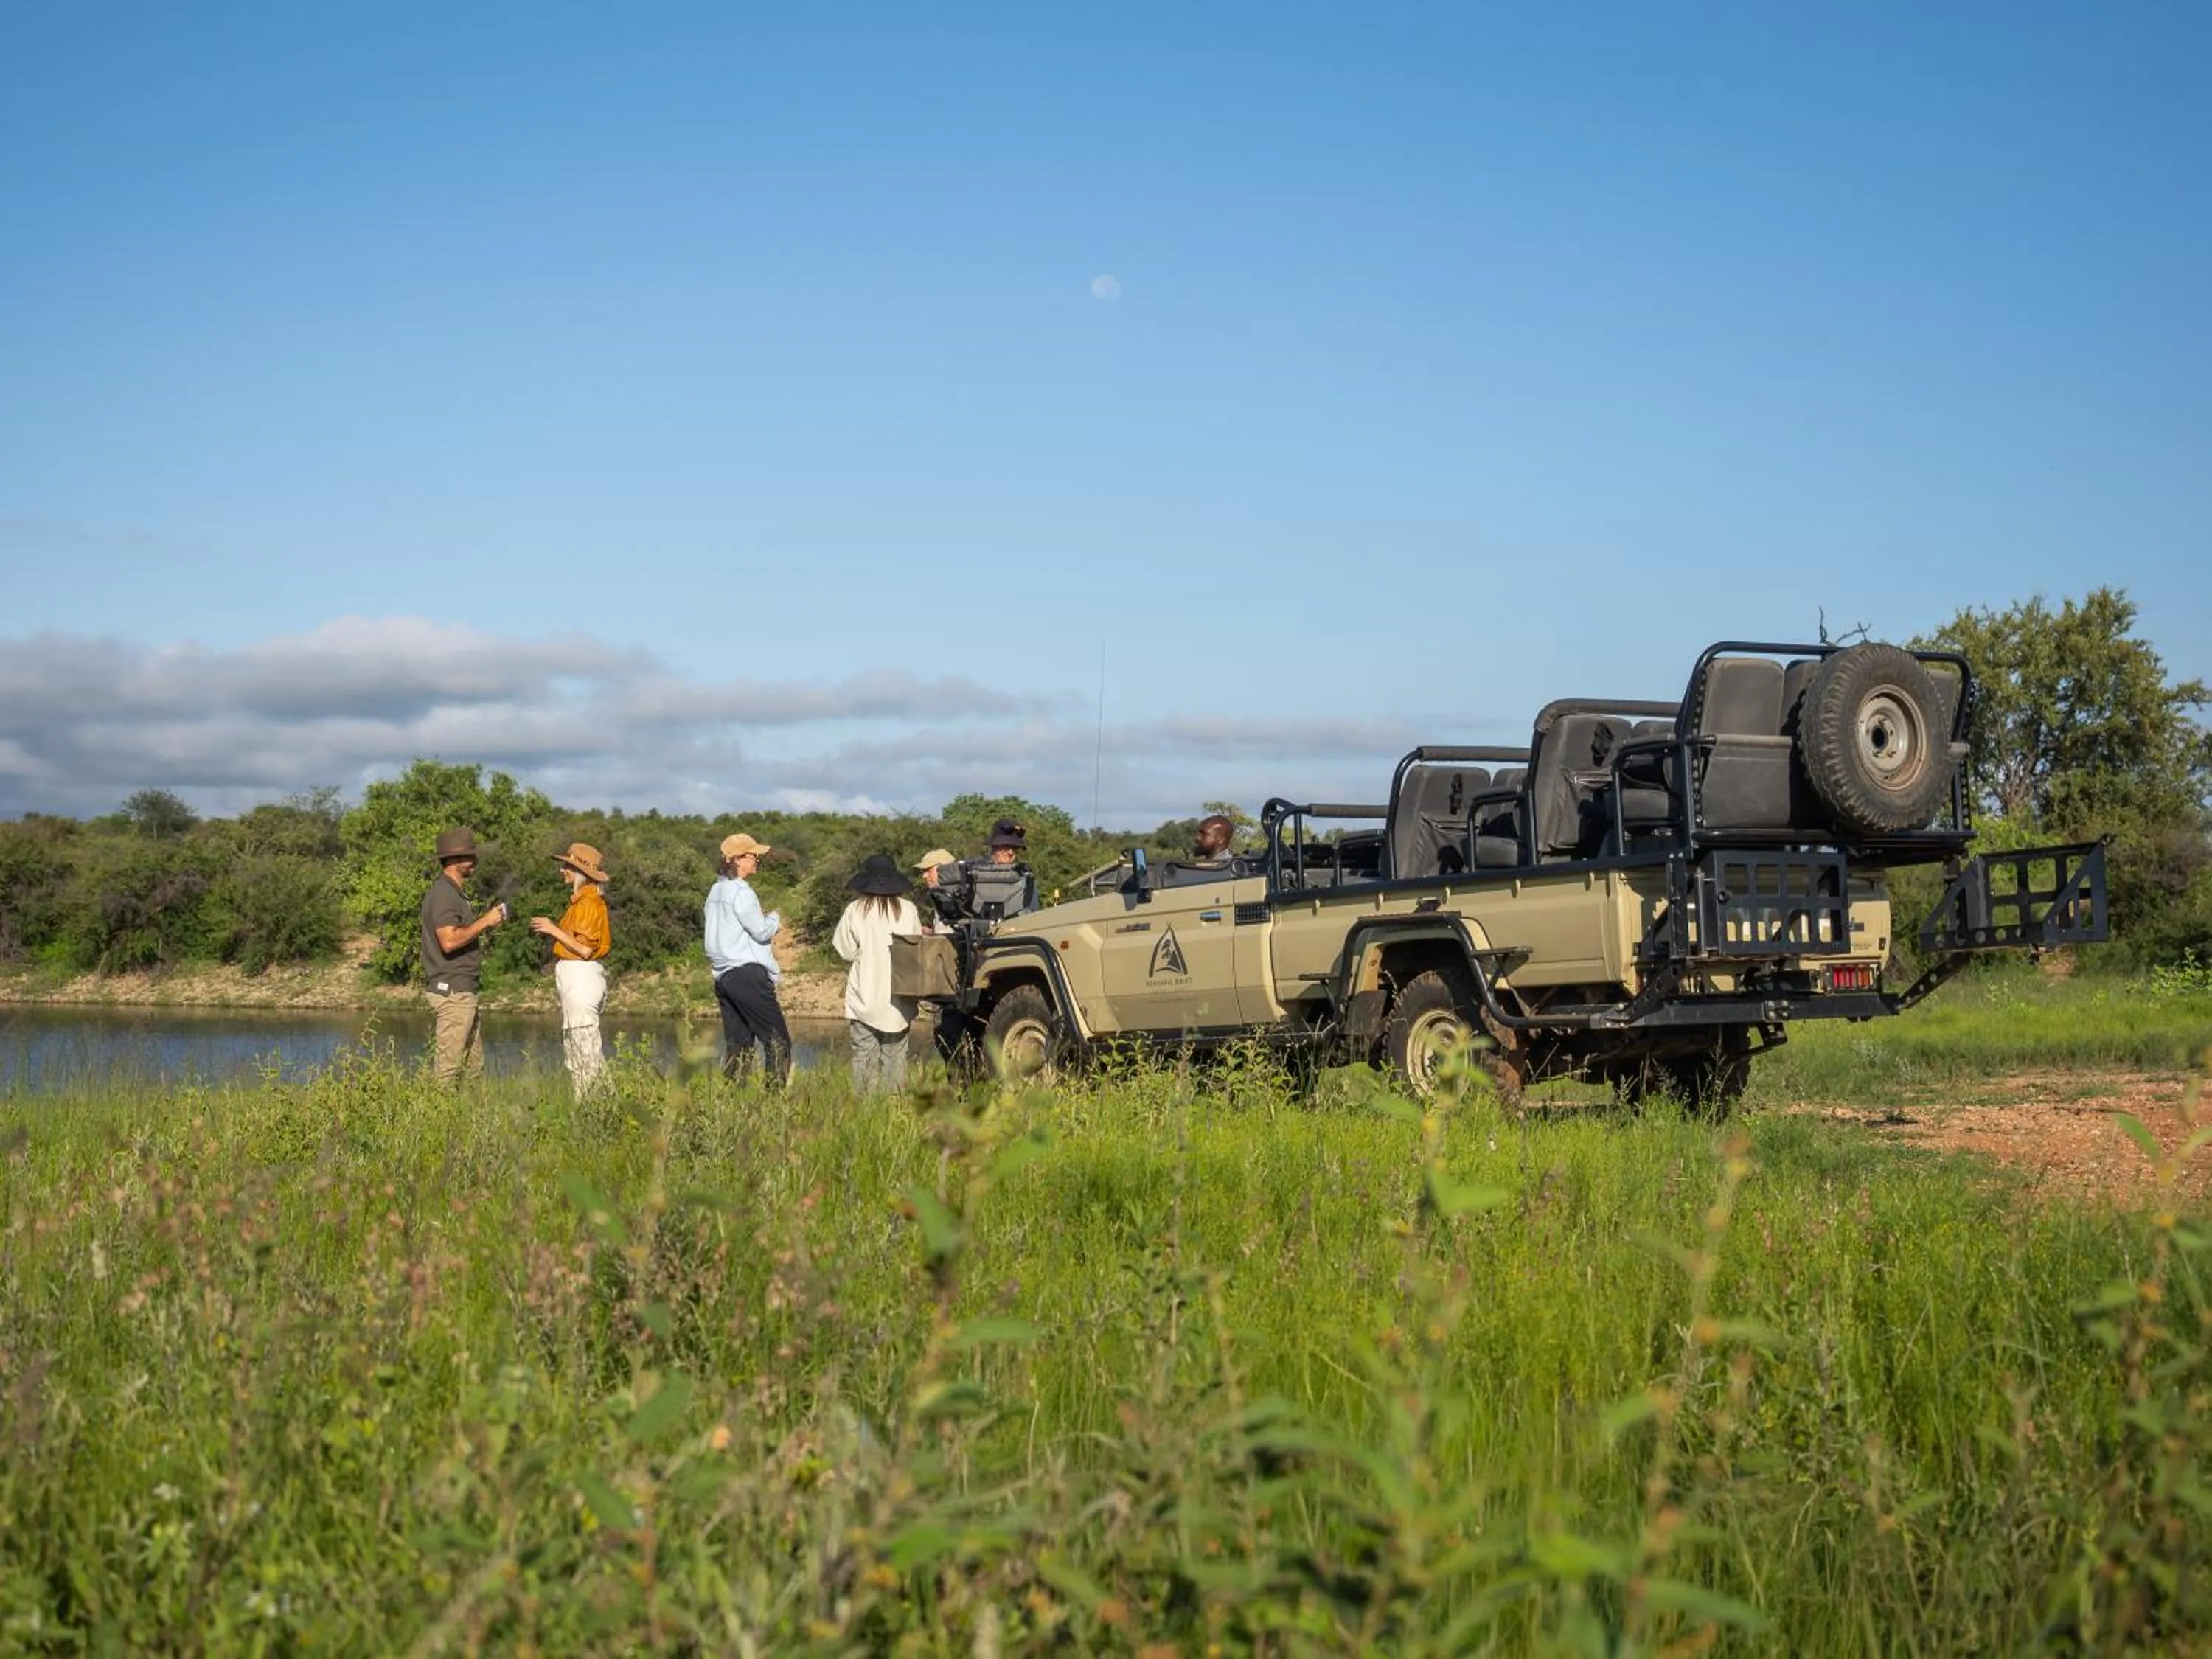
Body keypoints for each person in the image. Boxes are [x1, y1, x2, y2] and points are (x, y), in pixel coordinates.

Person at [420, 827, 508, 1085]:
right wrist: (486, 922)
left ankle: (464, 1122)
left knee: (472, 1069)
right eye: (470, 856)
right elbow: (448, 941)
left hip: (463, 992)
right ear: (454, 860)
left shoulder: (453, 893)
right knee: (447, 1072)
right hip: (453, 993)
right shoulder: (444, 894)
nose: (475, 862)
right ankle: (435, 1122)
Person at [704, 831, 791, 1085]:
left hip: (723, 977)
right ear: (738, 859)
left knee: (738, 1045)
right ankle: (775, 1102)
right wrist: (775, 918)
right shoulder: (742, 893)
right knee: (778, 1041)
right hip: (747, 974)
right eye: (753, 856)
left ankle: (733, 1103)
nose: (757, 860)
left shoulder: (715, 891)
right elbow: (761, 931)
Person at [832, 855, 922, 1094]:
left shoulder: (855, 910)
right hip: (899, 997)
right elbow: (916, 950)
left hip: (865, 997)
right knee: (896, 1059)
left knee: (864, 1058)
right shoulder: (909, 910)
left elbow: (846, 951)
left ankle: (867, 1111)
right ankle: (895, 1111)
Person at [530, 841, 611, 1099]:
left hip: (581, 978)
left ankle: (595, 1109)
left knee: (584, 1052)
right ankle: (597, 1107)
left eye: (567, 866)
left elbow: (585, 950)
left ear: (580, 872)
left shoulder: (588, 902)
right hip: (579, 979)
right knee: (581, 1050)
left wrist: (552, 929)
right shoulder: (582, 901)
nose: (562, 870)